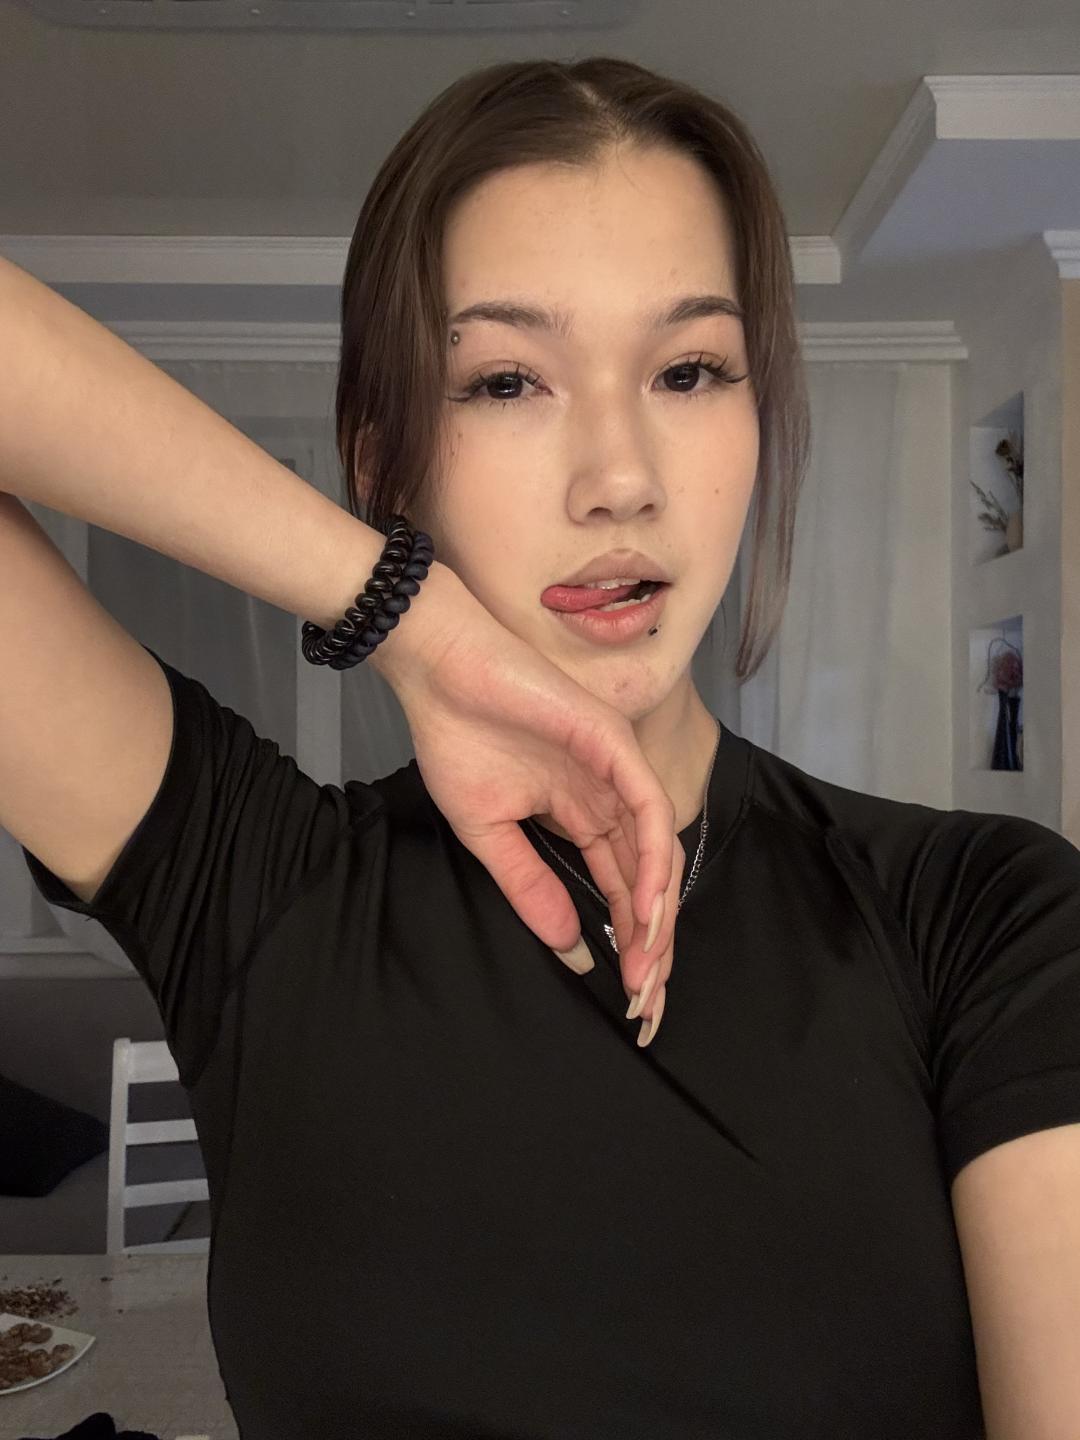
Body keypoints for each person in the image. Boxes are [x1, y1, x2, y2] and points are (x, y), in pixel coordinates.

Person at [1, 54, 1078, 1440]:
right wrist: (398, 609)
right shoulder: (256, 890)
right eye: (508, 381)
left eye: (689, 369)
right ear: (386, 461)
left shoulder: (988, 918)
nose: (620, 478)